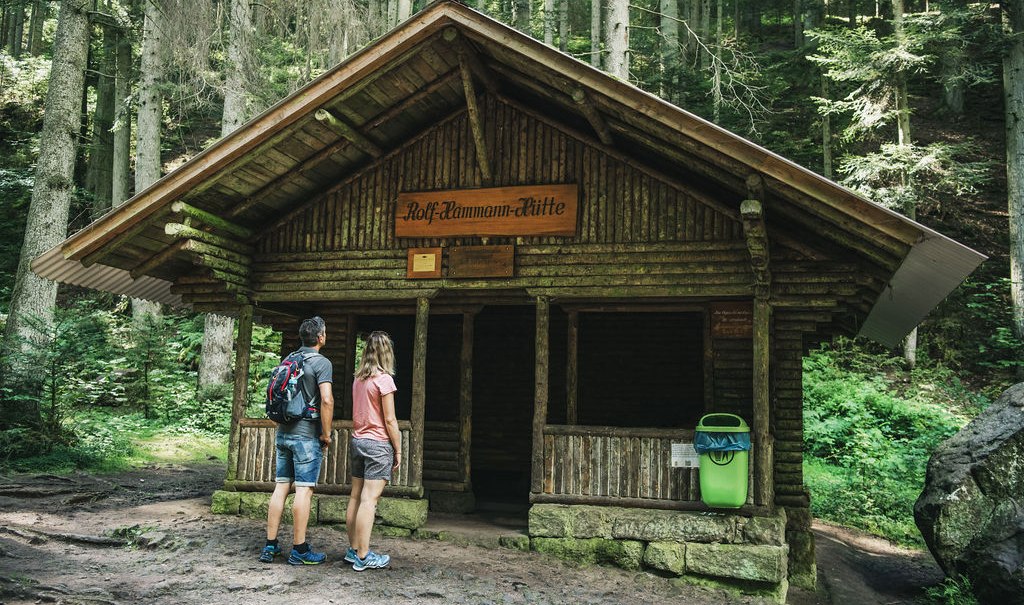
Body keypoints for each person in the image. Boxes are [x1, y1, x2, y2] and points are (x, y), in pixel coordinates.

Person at [259, 316, 334, 565]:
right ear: (321, 337)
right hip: (306, 436)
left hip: (283, 433)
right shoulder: (322, 363)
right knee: (304, 489)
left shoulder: (289, 359)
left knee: (281, 487)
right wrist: (326, 433)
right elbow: (326, 400)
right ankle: (299, 549)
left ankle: (270, 546)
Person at [345, 331, 401, 571]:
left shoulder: (358, 379)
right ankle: (365, 556)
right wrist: (397, 449)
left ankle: (354, 549)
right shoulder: (384, 380)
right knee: (370, 500)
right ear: (386, 352)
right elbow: (390, 420)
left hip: (358, 441)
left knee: (355, 497)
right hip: (377, 444)